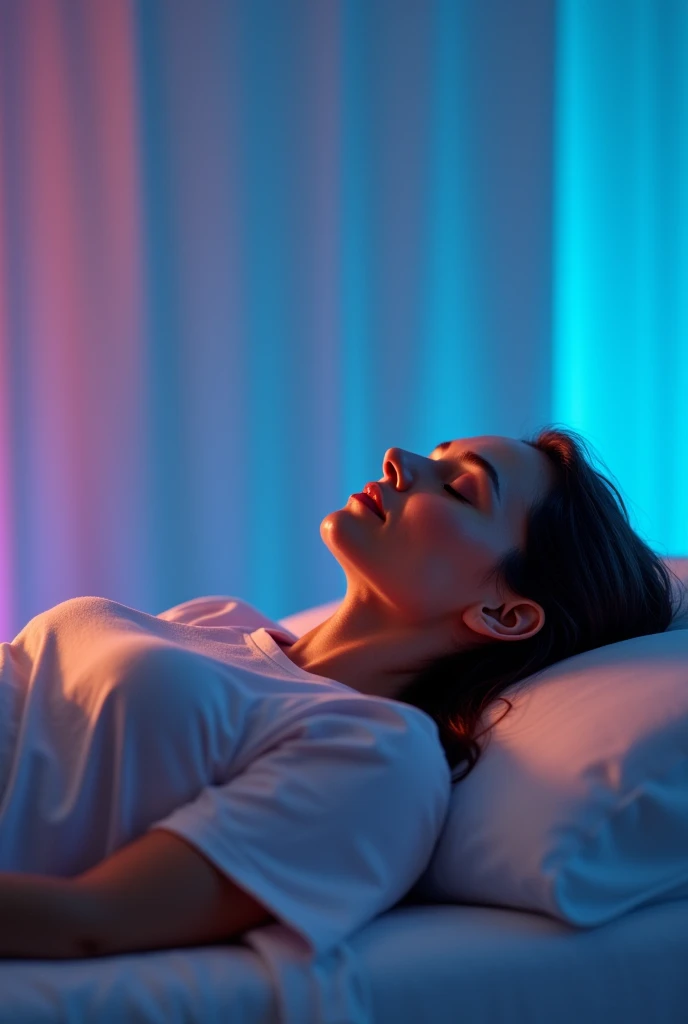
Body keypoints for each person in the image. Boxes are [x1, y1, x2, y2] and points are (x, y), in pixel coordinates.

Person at [278, 424, 683, 782]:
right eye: (436, 458)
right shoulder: (224, 619)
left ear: (504, 615)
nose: (395, 458)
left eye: (458, 490)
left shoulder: (367, 754)